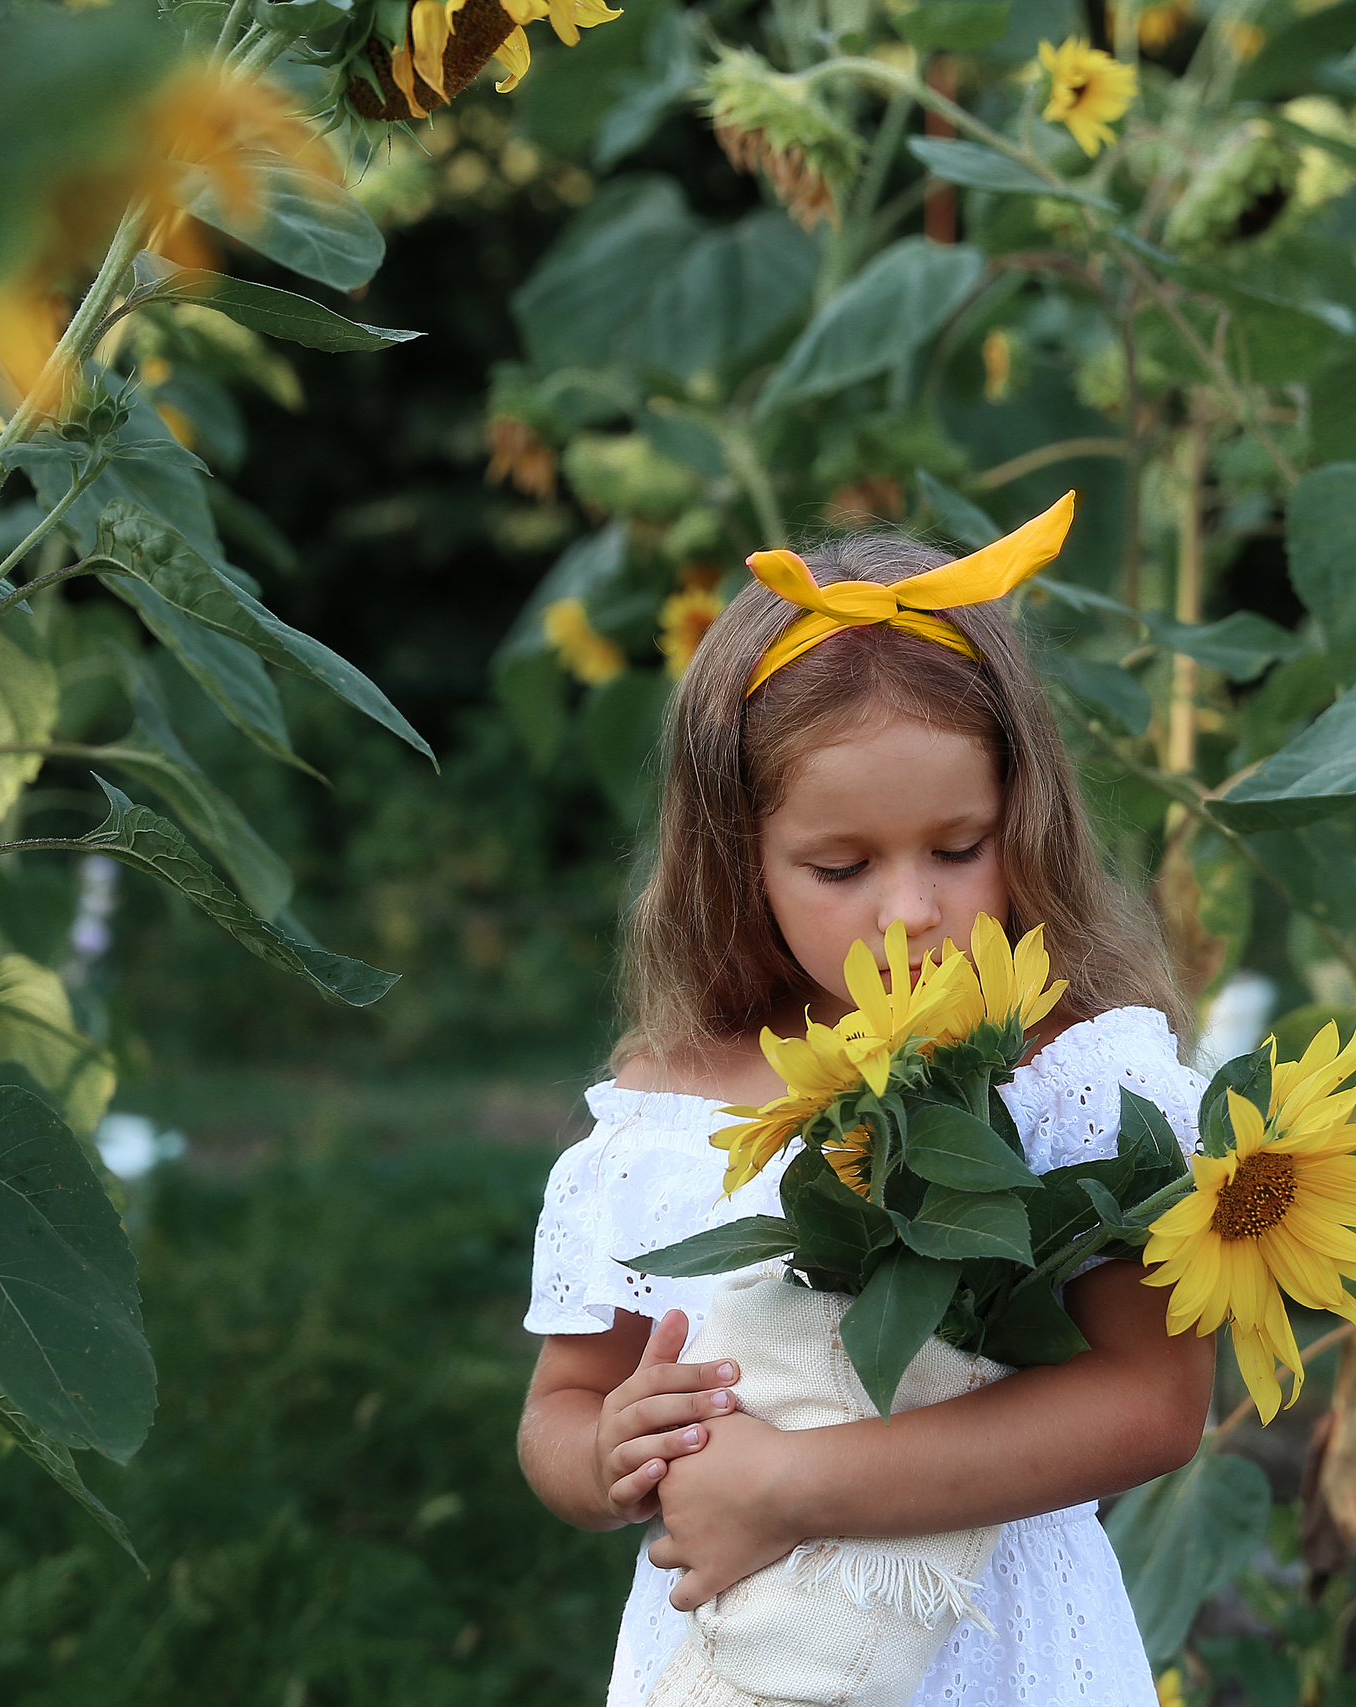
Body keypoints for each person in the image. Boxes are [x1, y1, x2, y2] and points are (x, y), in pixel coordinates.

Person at [516, 494, 1219, 1707]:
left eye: (959, 848)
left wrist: (788, 1486)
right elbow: (563, 1406)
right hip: (730, 1649)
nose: (910, 912)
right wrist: (605, 1453)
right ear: (739, 860)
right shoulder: (664, 1111)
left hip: (998, 1646)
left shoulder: (1072, 1080)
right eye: (840, 868)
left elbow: (1153, 1402)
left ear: (1027, 818)